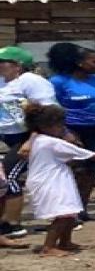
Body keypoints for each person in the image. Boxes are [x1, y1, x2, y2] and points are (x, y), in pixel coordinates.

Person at [20, 105, 95, 256]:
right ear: (46, 126)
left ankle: (65, 242)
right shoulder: (51, 142)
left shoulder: (40, 140)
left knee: (71, 211)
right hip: (49, 181)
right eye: (59, 125)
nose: (62, 129)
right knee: (63, 214)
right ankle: (48, 247)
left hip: (57, 178)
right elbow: (88, 155)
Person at [46, 42, 95, 219]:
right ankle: (66, 211)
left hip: (94, 129)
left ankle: (82, 208)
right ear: (80, 63)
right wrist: (64, 131)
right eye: (94, 62)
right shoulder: (58, 82)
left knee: (90, 169)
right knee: (75, 169)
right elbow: (53, 107)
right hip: (70, 130)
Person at [1, 46, 55, 241]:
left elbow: (47, 115)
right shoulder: (1, 82)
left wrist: (31, 140)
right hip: (7, 136)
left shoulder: (32, 82)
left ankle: (13, 225)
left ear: (17, 65)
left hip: (30, 135)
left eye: (2, 62)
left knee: (9, 177)